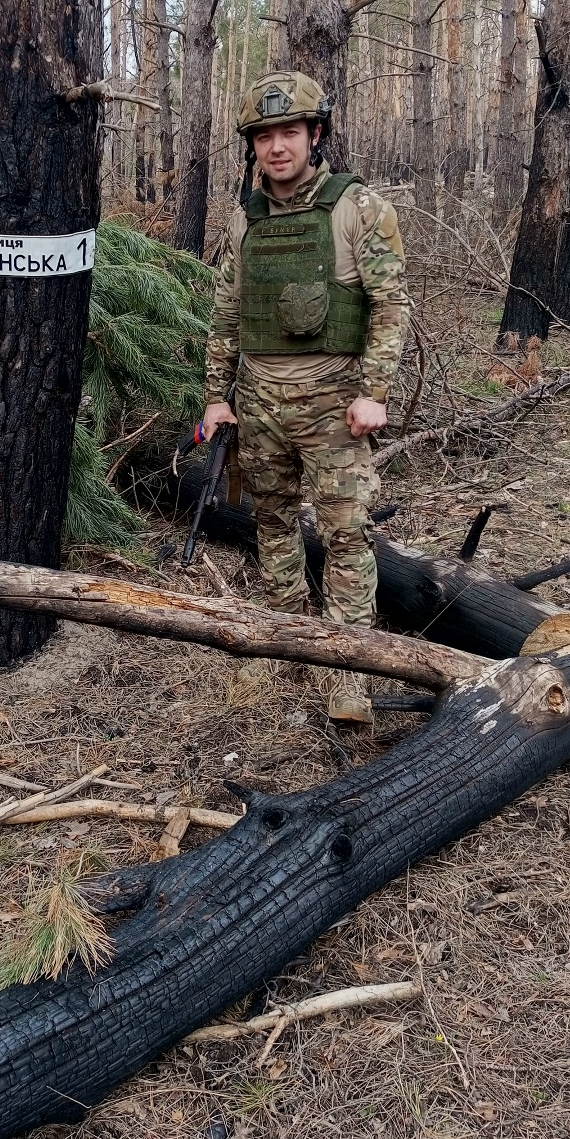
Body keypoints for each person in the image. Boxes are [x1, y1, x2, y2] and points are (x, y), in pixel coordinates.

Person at [202, 70, 409, 724]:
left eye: (289, 131)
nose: (277, 146)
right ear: (253, 145)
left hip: (333, 407)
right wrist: (216, 399)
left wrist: (374, 391)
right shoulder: (245, 218)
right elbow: (228, 313)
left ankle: (348, 669)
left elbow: (391, 306)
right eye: (264, 135)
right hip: (260, 403)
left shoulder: (359, 208)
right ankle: (284, 643)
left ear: (315, 135)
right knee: (272, 525)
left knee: (347, 537)